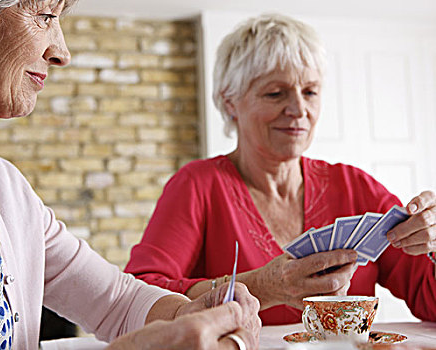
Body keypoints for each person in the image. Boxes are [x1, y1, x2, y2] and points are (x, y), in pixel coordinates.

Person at [0, 1, 262, 349]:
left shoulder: (0, 182)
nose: (62, 53)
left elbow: (117, 301)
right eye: (44, 16)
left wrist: (188, 316)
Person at [125, 13, 436, 325]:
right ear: (230, 101)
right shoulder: (198, 185)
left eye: (310, 92)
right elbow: (136, 300)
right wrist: (262, 287)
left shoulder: (355, 186)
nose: (299, 109)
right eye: (275, 93)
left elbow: (430, 300)